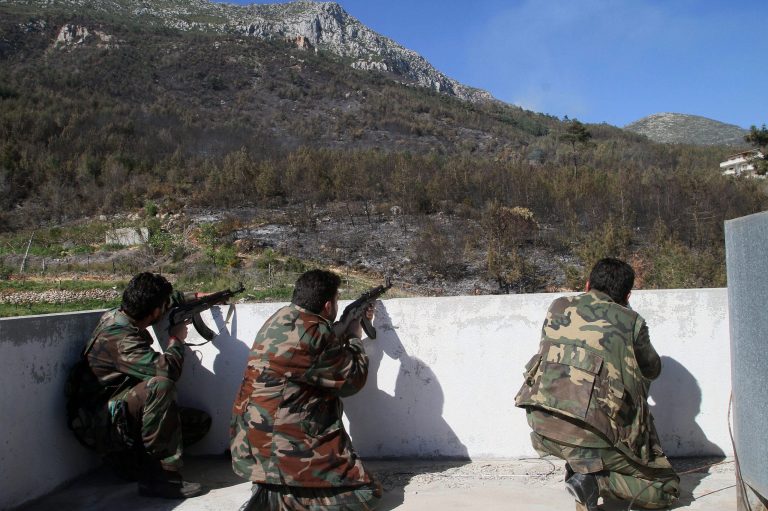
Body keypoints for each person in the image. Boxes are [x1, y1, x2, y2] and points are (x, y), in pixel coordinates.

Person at [515, 258, 680, 511]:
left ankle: (582, 468)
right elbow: (652, 369)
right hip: (593, 437)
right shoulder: (631, 321)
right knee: (667, 489)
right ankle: (595, 480)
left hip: (542, 428)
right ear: (627, 295)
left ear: (588, 283)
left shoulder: (557, 306)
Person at [230, 269, 382, 510]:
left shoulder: (280, 317)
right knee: (366, 493)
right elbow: (353, 380)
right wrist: (354, 334)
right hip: (284, 440)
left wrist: (342, 325)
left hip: (250, 441)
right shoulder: (316, 332)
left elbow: (311, 354)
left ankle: (273, 486)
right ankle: (279, 500)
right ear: (327, 305)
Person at [66, 272, 211, 499]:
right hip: (103, 426)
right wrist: (176, 340)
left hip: (117, 411)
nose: (164, 308)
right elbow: (168, 371)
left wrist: (199, 296)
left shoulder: (121, 314)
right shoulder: (120, 338)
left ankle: (132, 461)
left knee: (198, 423)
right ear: (154, 312)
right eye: (162, 307)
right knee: (160, 386)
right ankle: (161, 478)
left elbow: (163, 301)